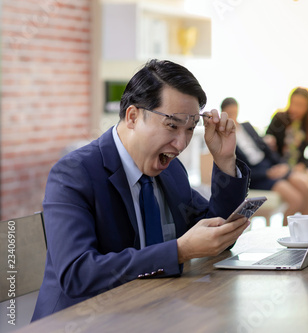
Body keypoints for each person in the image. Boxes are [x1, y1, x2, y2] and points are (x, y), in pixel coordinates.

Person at [32, 60, 251, 320]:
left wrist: (225, 161)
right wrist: (179, 251)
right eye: (172, 125)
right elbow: (77, 273)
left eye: (190, 129)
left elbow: (215, 233)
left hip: (153, 312)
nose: (181, 143)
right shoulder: (73, 174)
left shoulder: (172, 170)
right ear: (133, 116)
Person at [221, 98, 308, 223]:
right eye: (230, 114)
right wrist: (267, 173)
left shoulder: (247, 127)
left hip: (269, 166)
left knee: (303, 185)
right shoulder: (225, 138)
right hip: (258, 176)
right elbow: (237, 168)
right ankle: (285, 235)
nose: (234, 117)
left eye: (235, 112)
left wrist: (281, 165)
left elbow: (266, 149)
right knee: (296, 200)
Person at [265, 87, 308, 175]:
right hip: (278, 165)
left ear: (307, 106)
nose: (296, 109)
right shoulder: (279, 118)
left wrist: (303, 165)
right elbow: (267, 138)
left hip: (297, 167)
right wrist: (269, 140)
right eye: (294, 103)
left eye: (300, 105)